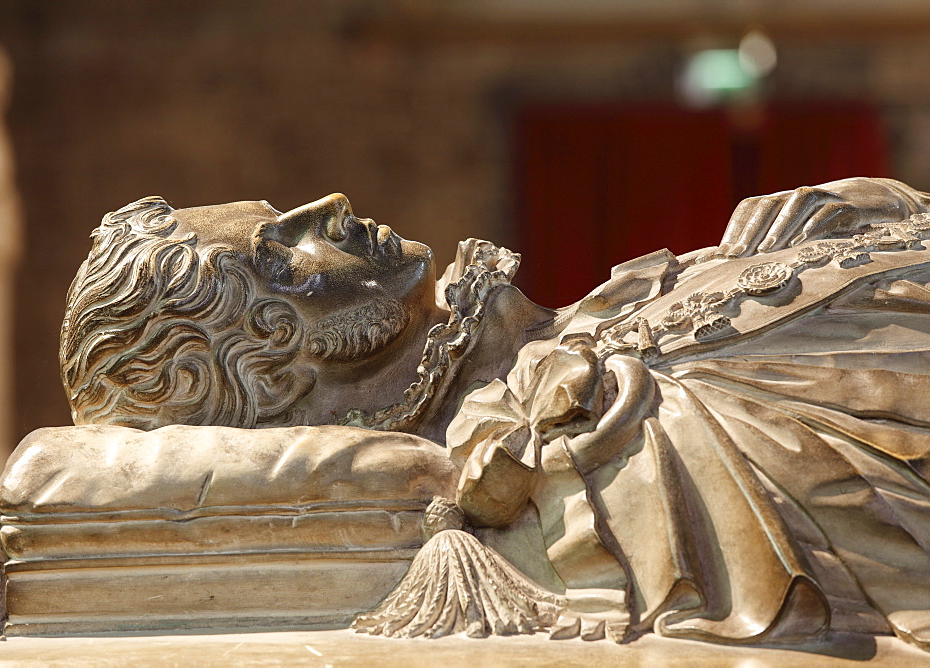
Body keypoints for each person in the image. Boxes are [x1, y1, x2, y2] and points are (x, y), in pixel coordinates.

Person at [60, 177, 930, 648]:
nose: (324, 206)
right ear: (279, 352)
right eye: (280, 251)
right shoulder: (627, 423)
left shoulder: (597, 339)